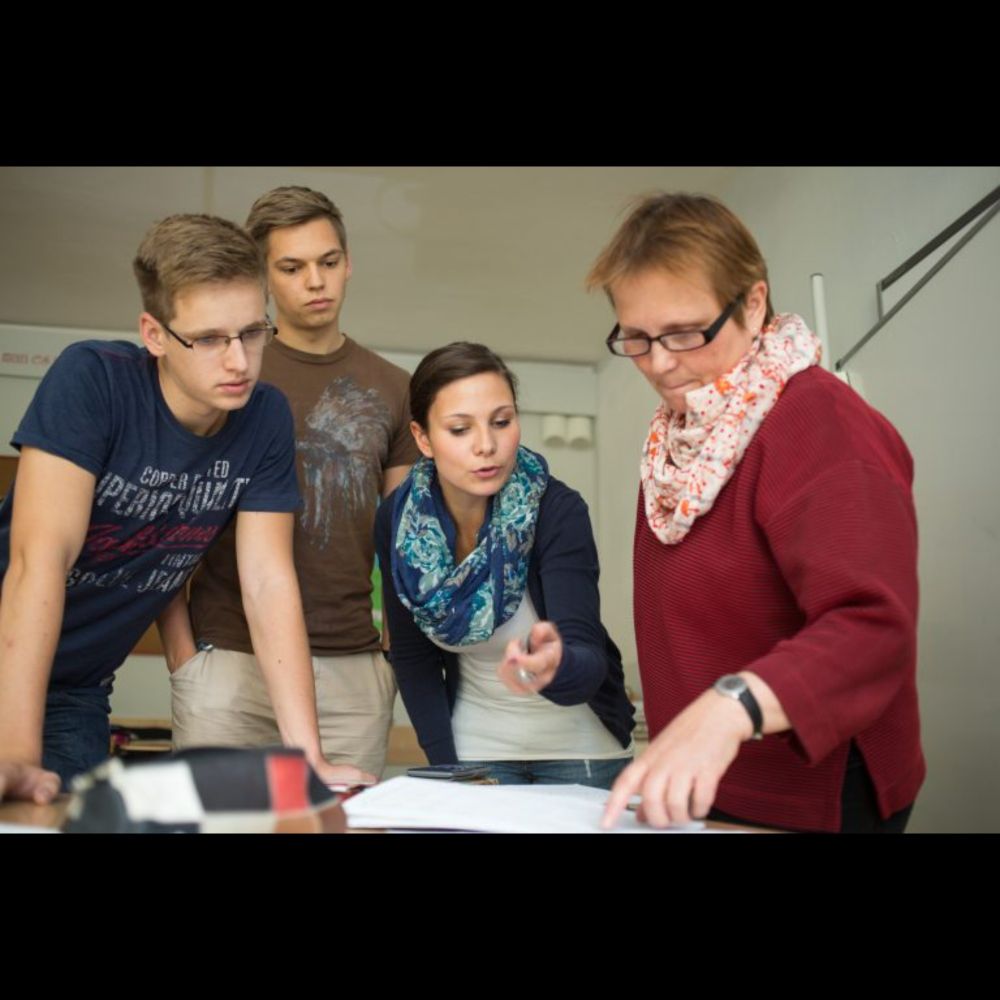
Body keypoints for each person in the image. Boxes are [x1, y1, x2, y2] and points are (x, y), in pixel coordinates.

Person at [0, 213, 368, 802]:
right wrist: (14, 751)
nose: (240, 361)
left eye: (252, 332)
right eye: (209, 339)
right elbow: (38, 559)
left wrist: (308, 757)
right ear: (154, 334)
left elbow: (269, 582)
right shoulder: (92, 380)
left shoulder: (264, 416)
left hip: (77, 687)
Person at [592, 193, 925, 832]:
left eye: (685, 333)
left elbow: (873, 628)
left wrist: (728, 707)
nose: (660, 364)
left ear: (752, 302)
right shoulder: (681, 435)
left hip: (813, 790)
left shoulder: (820, 422)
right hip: (704, 779)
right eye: (636, 337)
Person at [172, 187, 417, 777]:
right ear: (262, 276)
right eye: (292, 267)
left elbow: (405, 537)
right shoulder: (226, 372)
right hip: (229, 660)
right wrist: (183, 654)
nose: (316, 281)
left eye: (328, 262)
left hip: (352, 668)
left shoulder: (393, 385)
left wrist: (392, 650)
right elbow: (166, 519)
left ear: (348, 263)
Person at [374, 342, 634, 787]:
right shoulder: (397, 519)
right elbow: (412, 657)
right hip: (475, 750)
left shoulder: (557, 509)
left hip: (579, 750)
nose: (487, 446)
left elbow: (587, 655)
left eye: (502, 422)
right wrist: (446, 766)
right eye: (459, 429)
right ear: (423, 439)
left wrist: (556, 666)